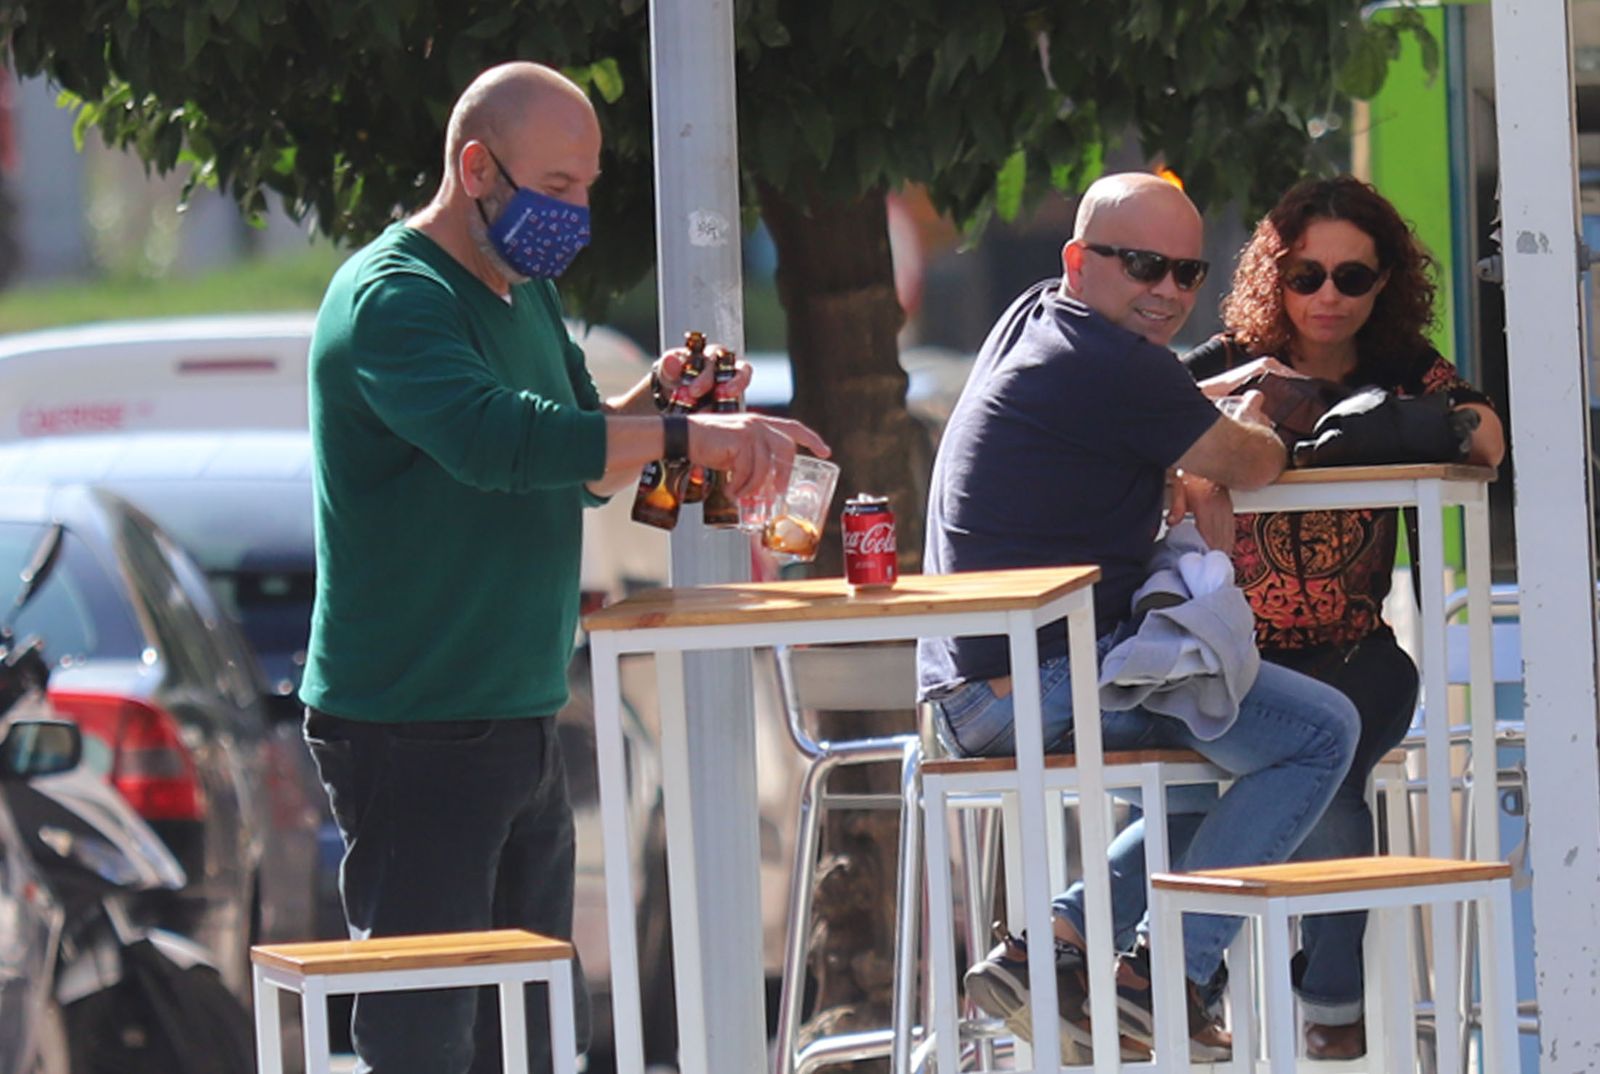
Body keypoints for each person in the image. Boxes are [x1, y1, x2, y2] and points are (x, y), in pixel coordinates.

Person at [298, 62, 827, 1074]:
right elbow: (502, 444)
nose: (575, 213)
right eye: (555, 186)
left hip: (519, 708)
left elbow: (580, 456)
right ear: (475, 169)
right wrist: (692, 439)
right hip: (415, 721)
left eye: (585, 186)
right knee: (425, 1037)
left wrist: (660, 401)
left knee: (534, 1031)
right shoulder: (395, 298)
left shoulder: (524, 292)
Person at [918, 171, 1360, 1063]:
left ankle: (1055, 948)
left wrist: (1180, 441)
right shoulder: (1117, 362)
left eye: (1188, 272)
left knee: (1201, 780)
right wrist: (1243, 421)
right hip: (1033, 682)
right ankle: (1168, 976)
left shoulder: (1036, 317)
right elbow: (1252, 461)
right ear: (1079, 260)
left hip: (969, 688)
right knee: (1321, 735)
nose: (1167, 291)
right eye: (1143, 266)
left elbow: (1130, 420)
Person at [1178, 174, 1505, 1059]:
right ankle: (1294, 998)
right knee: (1303, 770)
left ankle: (1304, 993)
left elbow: (1486, 435)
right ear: (1275, 278)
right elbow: (1135, 422)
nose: (1328, 296)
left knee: (1333, 752)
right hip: (1233, 660)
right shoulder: (1228, 362)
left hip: (1358, 652)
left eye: (1352, 278)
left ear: (1384, 282)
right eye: (1306, 276)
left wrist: (1395, 423)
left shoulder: (1401, 366)